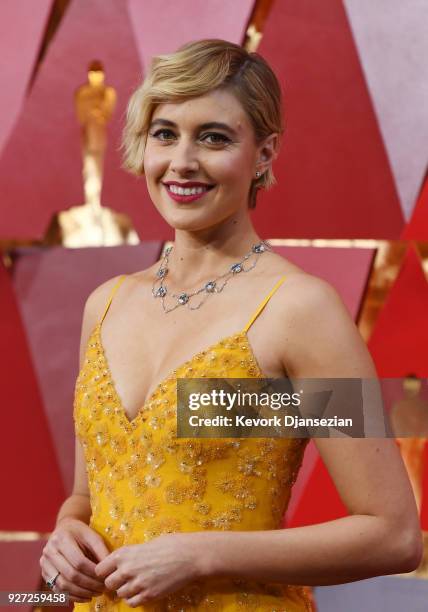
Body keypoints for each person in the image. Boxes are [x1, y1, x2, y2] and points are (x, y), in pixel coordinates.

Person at [39, 39, 422, 611]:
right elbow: (86, 494)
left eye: (214, 137)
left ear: (264, 153)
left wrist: (202, 554)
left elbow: (393, 535)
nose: (182, 162)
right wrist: (67, 533)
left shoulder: (299, 310)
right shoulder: (107, 304)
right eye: (165, 133)